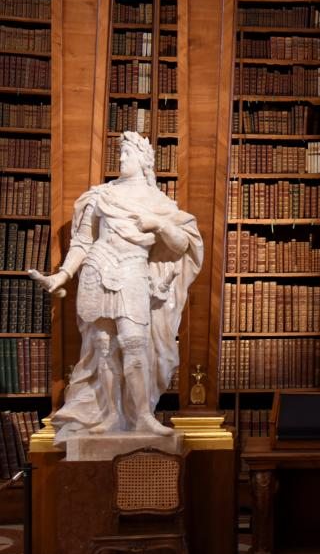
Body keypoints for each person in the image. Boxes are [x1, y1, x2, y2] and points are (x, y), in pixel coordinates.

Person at [28, 131, 203, 443]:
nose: (120, 159)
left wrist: (158, 223)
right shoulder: (100, 196)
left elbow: (181, 246)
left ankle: (143, 417)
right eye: (119, 153)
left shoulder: (158, 202)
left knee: (135, 344)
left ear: (143, 159)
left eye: (127, 153)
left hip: (133, 271)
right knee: (104, 345)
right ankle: (112, 414)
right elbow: (83, 242)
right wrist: (62, 275)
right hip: (97, 268)